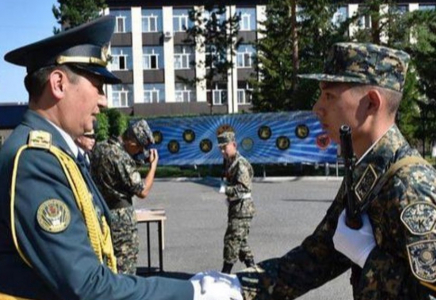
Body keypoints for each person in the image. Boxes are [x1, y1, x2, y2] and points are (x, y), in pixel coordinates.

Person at [0, 15, 241, 300]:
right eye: (98, 86)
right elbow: (88, 286)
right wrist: (192, 292)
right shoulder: (35, 161)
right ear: (59, 84)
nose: (103, 100)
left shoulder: (57, 154)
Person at [197, 42, 436, 299]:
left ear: (371, 104)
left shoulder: (410, 185)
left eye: (329, 96)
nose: (317, 108)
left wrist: (368, 256)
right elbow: (315, 257)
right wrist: (234, 287)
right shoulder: (367, 173)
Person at [90, 119, 158, 275]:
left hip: (101, 213)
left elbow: (117, 174)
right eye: (139, 148)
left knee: (107, 266)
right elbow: (143, 191)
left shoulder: (100, 148)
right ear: (132, 143)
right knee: (125, 270)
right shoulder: (121, 157)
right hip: (121, 220)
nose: (139, 151)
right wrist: (153, 167)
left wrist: (136, 161)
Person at [217, 131, 256, 274]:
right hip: (236, 208)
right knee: (241, 243)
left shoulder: (240, 164)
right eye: (220, 148)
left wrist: (225, 189)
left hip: (242, 209)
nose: (222, 151)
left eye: (224, 147)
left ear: (234, 144)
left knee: (232, 240)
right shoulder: (229, 162)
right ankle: (254, 271)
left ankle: (224, 275)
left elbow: (244, 188)